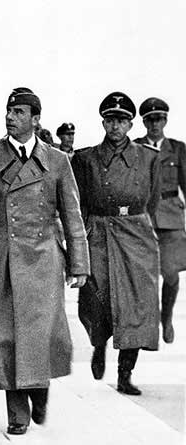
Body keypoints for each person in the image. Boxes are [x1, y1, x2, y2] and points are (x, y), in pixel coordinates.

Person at [0, 87, 88, 435]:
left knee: (40, 333)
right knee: (4, 336)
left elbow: (73, 215)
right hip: (2, 258)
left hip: (44, 258)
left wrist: (79, 265)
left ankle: (40, 387)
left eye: (19, 112)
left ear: (36, 119)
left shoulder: (58, 161)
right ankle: (17, 411)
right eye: (8, 110)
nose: (10, 117)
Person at [72, 91, 161, 396]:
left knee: (136, 303)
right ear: (103, 122)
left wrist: (145, 231)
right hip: (98, 231)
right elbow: (77, 200)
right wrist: (81, 234)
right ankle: (99, 343)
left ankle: (125, 372)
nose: (116, 126)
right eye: (110, 120)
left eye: (122, 120)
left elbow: (155, 199)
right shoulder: (85, 159)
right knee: (97, 298)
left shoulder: (149, 157)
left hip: (136, 233)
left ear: (131, 123)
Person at [134, 98, 185, 344]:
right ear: (143, 122)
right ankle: (149, 322)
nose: (155, 124)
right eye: (150, 119)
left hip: (172, 218)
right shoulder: (135, 147)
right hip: (144, 217)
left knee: (171, 273)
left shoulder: (177, 149)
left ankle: (167, 317)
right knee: (144, 276)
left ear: (165, 120)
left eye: (159, 119)